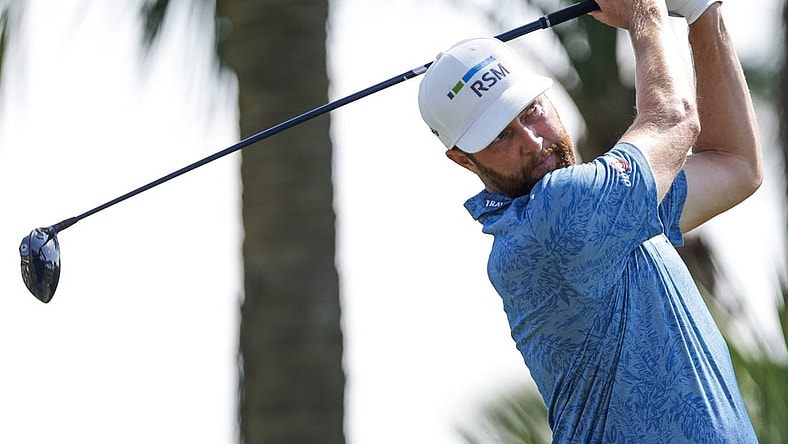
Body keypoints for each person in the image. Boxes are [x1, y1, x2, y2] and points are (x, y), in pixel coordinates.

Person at [417, 0, 762, 442]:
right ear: (463, 161)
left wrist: (701, 13)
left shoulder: (614, 209)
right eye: (501, 135)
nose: (533, 141)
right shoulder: (551, 220)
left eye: (531, 111)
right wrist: (644, 11)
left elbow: (735, 165)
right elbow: (672, 119)